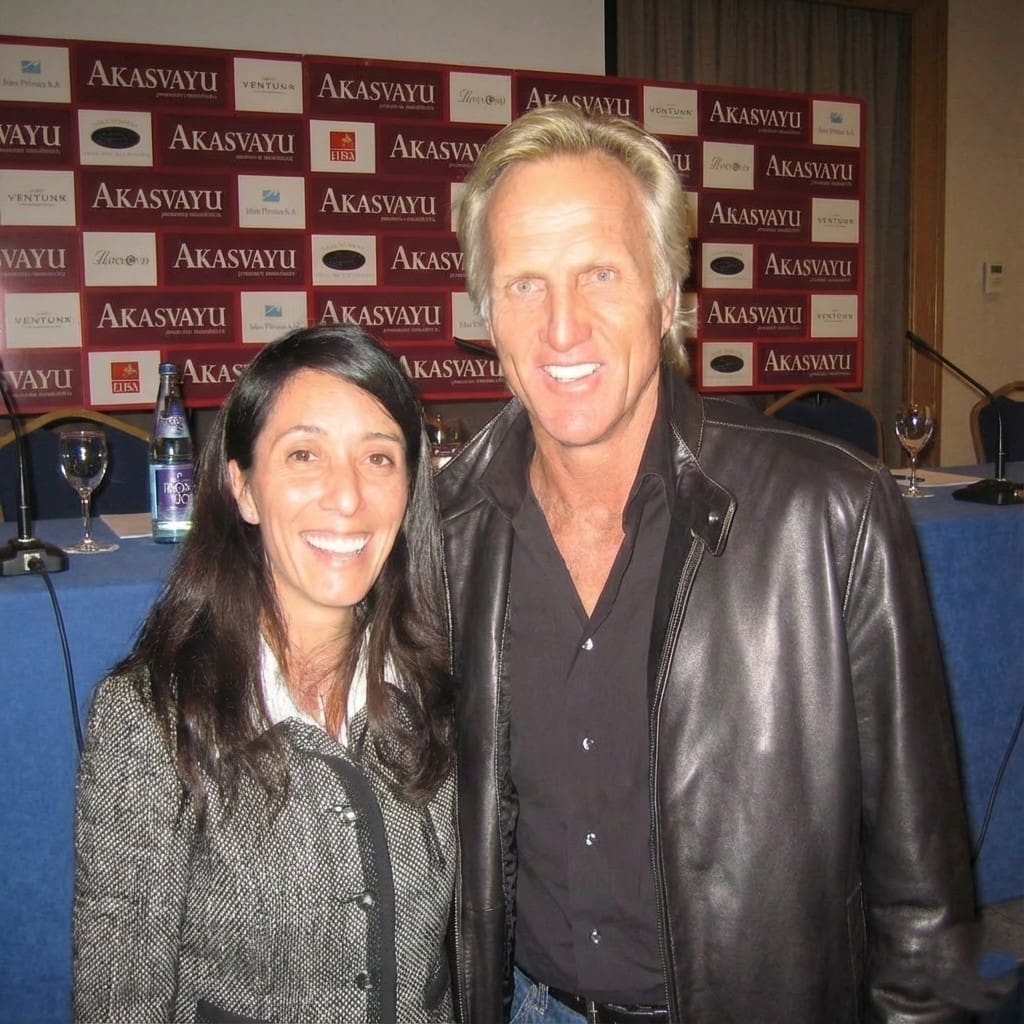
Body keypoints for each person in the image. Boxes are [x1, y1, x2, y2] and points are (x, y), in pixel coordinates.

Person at [438, 103, 978, 1023]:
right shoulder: (445, 529)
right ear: (488, 320)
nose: (561, 327)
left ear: (666, 297)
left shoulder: (831, 515)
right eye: (525, 285)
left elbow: (922, 893)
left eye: (599, 273)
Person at [72, 325, 456, 1023]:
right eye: (304, 454)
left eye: (378, 457)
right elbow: (118, 1001)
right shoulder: (152, 715)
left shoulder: (433, 690)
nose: (347, 497)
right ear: (243, 489)